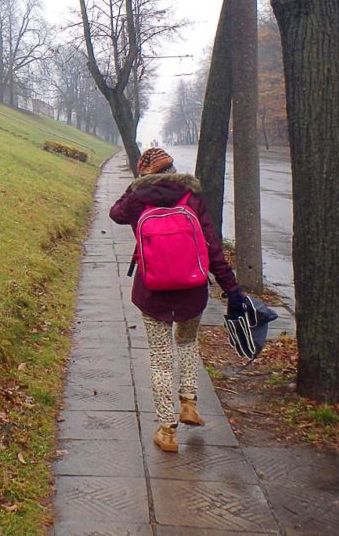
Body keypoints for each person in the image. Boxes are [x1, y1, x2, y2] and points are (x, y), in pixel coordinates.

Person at [109, 148, 245, 453]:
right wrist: (231, 288)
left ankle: (167, 431)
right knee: (187, 343)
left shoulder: (137, 199)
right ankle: (189, 404)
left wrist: (135, 187)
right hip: (191, 290)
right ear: (172, 168)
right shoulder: (190, 197)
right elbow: (212, 246)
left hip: (152, 291)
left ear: (144, 173)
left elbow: (115, 213)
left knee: (160, 358)